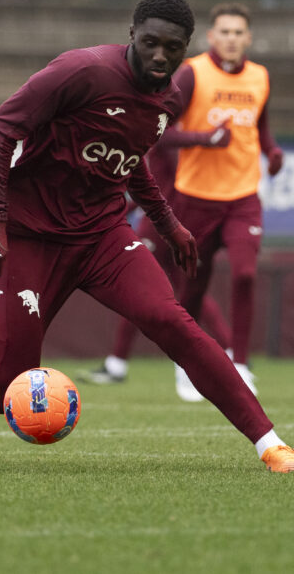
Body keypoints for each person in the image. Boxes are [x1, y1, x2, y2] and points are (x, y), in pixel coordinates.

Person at [0, 0, 294, 473]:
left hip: (102, 236)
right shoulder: (83, 71)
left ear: (186, 48)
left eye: (171, 48)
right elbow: (1, 127)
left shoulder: (169, 97)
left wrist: (168, 223)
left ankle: (271, 445)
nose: (159, 55)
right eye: (150, 42)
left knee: (173, 323)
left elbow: (128, 165)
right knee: (4, 387)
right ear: (132, 35)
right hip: (32, 237)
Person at [163, 2, 284, 400]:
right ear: (211, 37)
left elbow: (260, 126)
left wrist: (272, 151)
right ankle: (185, 364)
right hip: (195, 197)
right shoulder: (192, 73)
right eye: (224, 32)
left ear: (248, 38)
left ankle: (241, 363)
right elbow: (160, 130)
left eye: (239, 33)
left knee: (245, 273)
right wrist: (203, 139)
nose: (231, 39)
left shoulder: (260, 76)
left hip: (243, 196)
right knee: (192, 289)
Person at [76, 120, 234, 393]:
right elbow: (151, 187)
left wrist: (205, 137)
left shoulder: (166, 136)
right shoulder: (174, 140)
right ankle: (229, 350)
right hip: (173, 219)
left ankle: (117, 364)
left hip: (161, 223)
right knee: (189, 291)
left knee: (135, 288)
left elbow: (158, 187)